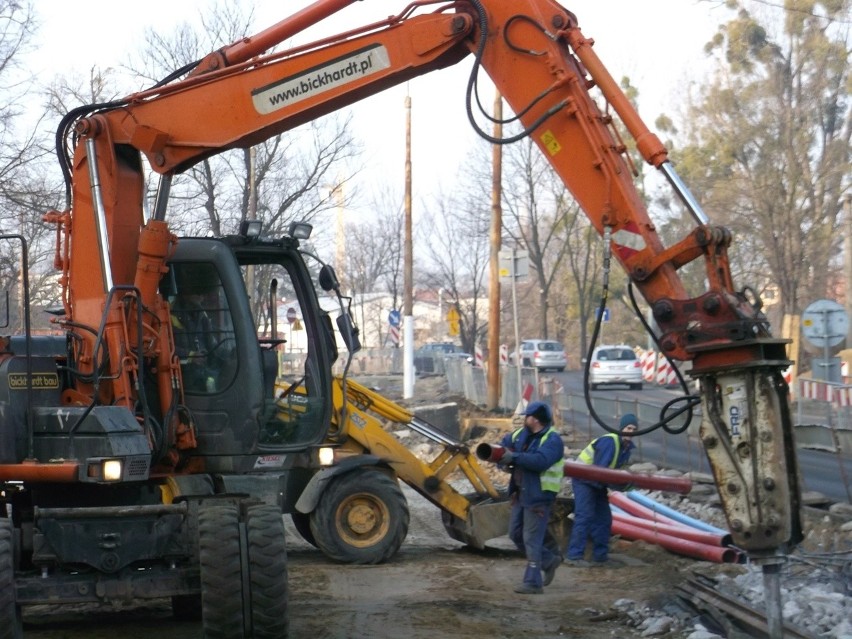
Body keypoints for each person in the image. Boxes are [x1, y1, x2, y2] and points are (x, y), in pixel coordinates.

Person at [498, 400, 565, 594]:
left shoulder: (552, 440)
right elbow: (503, 447)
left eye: (527, 416)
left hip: (539, 496)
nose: (524, 419)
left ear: (535, 419)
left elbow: (541, 461)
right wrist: (501, 460)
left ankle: (533, 583)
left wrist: (515, 458)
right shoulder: (521, 435)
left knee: (531, 538)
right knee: (515, 534)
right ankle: (549, 560)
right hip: (521, 493)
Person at [565, 413, 638, 566]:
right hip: (584, 480)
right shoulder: (610, 442)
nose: (631, 431)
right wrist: (621, 484)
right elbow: (601, 471)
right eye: (628, 428)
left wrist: (623, 484)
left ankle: (600, 557)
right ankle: (573, 556)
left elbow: (612, 474)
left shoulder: (626, 448)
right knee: (584, 516)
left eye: (634, 429)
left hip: (597, 482)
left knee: (604, 519)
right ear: (621, 428)